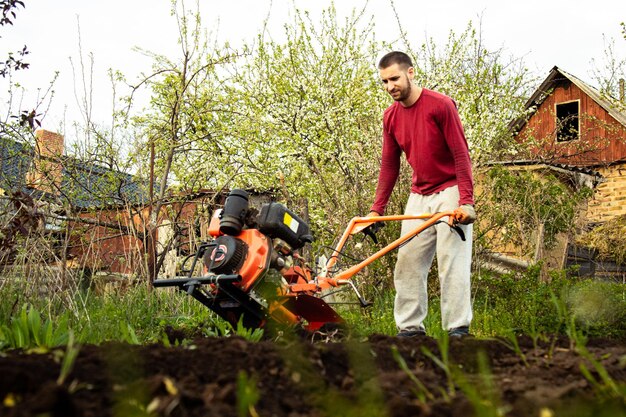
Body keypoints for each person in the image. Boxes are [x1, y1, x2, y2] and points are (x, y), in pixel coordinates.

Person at [369, 51, 476, 338]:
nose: (390, 86)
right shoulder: (390, 116)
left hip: (450, 190)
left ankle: (457, 328)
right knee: (408, 261)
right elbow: (390, 165)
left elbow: (460, 154)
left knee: (451, 260)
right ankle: (410, 329)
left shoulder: (440, 105)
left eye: (394, 78)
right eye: (384, 81)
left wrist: (466, 202)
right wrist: (376, 209)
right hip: (420, 194)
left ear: (410, 73)